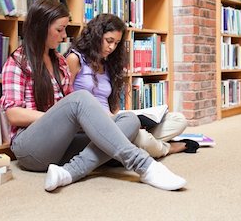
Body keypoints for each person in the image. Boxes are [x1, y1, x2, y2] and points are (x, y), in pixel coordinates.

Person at [0, 0, 186, 192]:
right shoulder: (18, 62)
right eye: (59, 29)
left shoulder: (60, 63)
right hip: (30, 148)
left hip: (62, 145)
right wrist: (63, 119)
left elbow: (72, 110)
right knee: (81, 98)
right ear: (41, 27)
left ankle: (70, 171)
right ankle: (144, 166)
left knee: (129, 120)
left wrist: (80, 122)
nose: (64, 36)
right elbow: (13, 114)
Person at [65, 13, 199, 159]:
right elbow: (65, 102)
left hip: (114, 121)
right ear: (96, 36)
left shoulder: (108, 64)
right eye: (109, 41)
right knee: (141, 138)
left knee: (179, 120)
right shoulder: (75, 59)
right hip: (92, 126)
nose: (111, 47)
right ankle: (169, 148)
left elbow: (113, 108)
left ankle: (137, 143)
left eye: (116, 43)